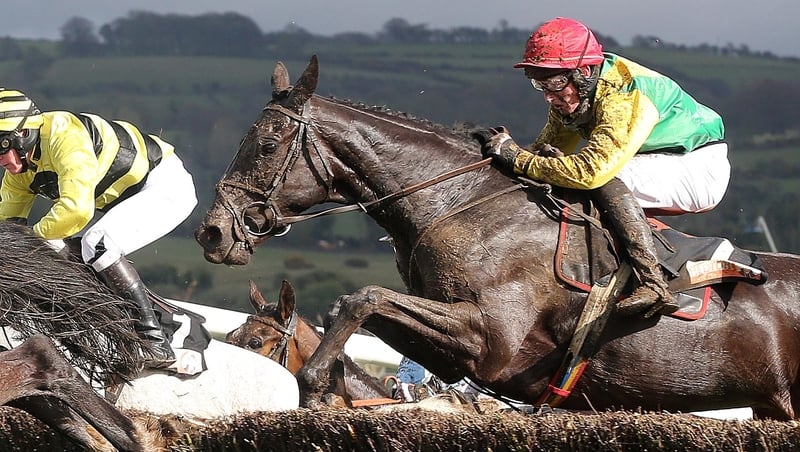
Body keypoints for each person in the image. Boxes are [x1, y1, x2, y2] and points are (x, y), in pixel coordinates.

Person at [473, 17, 730, 318]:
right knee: (555, 168)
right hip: (659, 160)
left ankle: (653, 282)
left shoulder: (621, 95)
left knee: (602, 177)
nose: (548, 95)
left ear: (583, 72)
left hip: (695, 168)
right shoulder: (575, 94)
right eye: (539, 84)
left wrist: (516, 157)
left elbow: (590, 171)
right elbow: (543, 154)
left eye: (555, 83)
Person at [0, 88, 197, 367]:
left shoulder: (65, 137)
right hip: (125, 200)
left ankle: (154, 343)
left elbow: (77, 210)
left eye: (0, 145)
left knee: (97, 243)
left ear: (23, 134)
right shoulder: (19, 174)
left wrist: (33, 241)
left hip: (165, 184)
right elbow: (8, 234)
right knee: (68, 257)